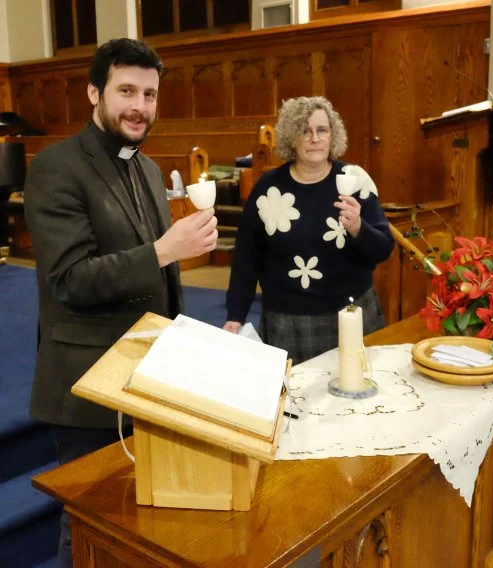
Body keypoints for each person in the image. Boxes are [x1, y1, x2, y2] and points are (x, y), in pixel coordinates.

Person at [24, 38, 218, 567]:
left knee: (138, 524)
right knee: (87, 526)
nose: (139, 106)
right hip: (88, 380)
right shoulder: (56, 167)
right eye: (126, 91)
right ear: (94, 92)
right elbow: (69, 279)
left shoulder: (149, 169)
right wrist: (163, 250)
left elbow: (162, 279)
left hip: (149, 375)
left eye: (150, 94)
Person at [224, 96, 394, 364]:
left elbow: (383, 248)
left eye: (322, 130)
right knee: (295, 403)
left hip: (351, 314)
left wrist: (358, 227)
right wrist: (235, 315)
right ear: (292, 138)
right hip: (289, 323)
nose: (314, 138)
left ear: (332, 135)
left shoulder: (355, 179)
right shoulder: (268, 189)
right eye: (305, 131)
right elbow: (246, 258)